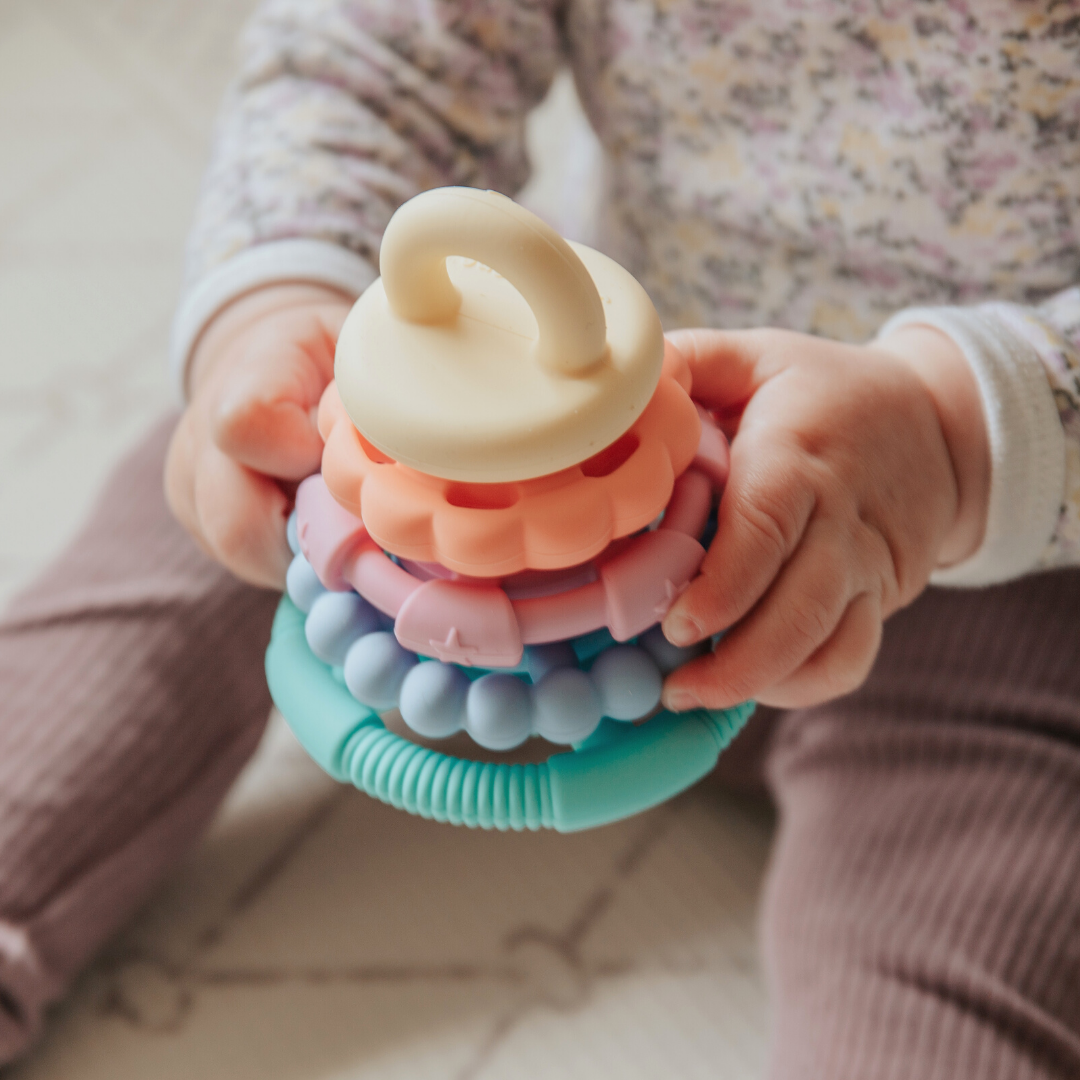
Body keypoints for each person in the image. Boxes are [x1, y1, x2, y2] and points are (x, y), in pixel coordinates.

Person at [3, 0, 1079, 1073]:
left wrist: (951, 437)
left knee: (943, 990)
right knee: (212, 490)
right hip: (501, 460)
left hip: (996, 567)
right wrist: (277, 300)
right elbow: (374, 57)